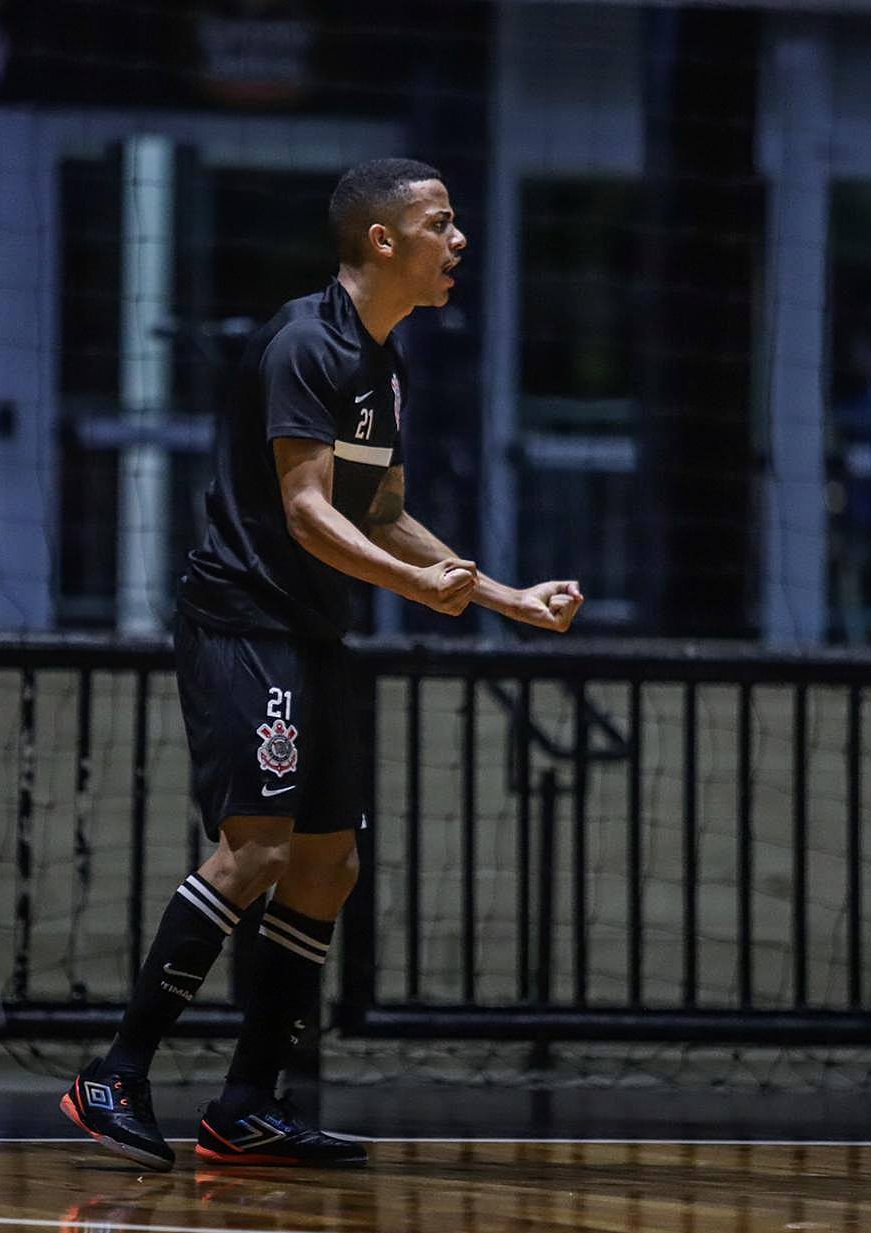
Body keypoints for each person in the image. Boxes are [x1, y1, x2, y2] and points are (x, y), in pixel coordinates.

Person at [60, 158, 583, 1171]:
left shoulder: (380, 361)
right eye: (442, 222)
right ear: (382, 240)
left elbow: (379, 510)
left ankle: (245, 1105)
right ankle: (112, 1074)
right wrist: (407, 586)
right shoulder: (306, 341)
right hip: (245, 619)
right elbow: (306, 512)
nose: (459, 240)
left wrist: (500, 596)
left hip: (312, 627)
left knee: (327, 863)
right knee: (255, 847)